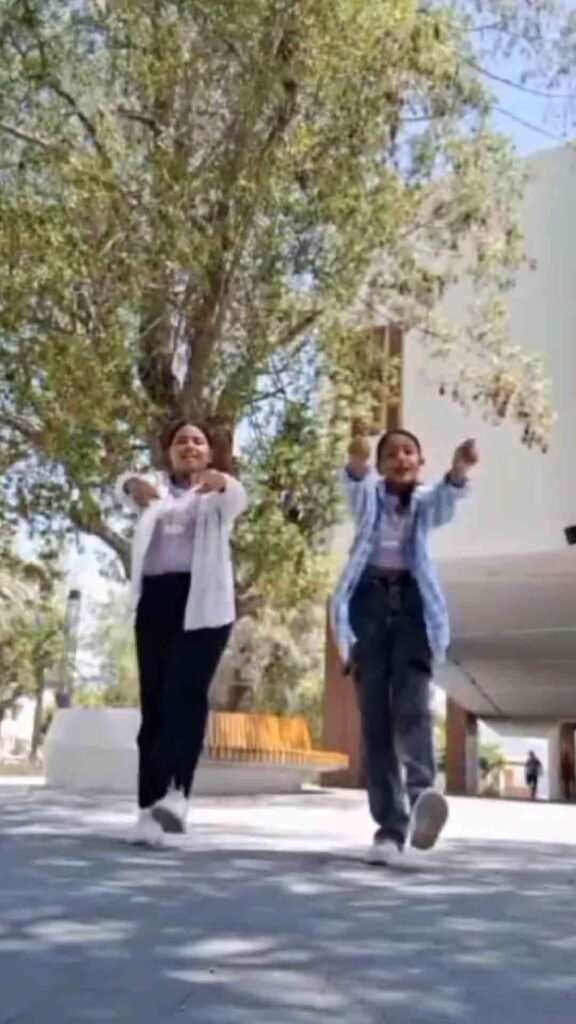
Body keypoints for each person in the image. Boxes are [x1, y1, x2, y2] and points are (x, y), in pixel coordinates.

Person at [331, 427, 479, 865]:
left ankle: (421, 798)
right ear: (381, 465)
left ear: (419, 462)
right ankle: (389, 830)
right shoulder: (369, 496)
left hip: (413, 604)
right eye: (391, 454)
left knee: (413, 704)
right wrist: (356, 461)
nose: (400, 458)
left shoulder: (425, 502)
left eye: (408, 452)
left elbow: (446, 504)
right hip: (367, 604)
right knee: (375, 719)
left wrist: (460, 470)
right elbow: (354, 487)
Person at [115, 419, 247, 846]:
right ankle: (147, 808)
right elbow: (122, 489)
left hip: (204, 605)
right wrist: (131, 484)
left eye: (197, 441)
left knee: (184, 695)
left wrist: (222, 482)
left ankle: (176, 795)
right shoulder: (155, 487)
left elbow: (237, 496)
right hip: (155, 601)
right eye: (181, 441)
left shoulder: (217, 493)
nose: (189, 446)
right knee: (154, 704)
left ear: (210, 452)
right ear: (168, 451)